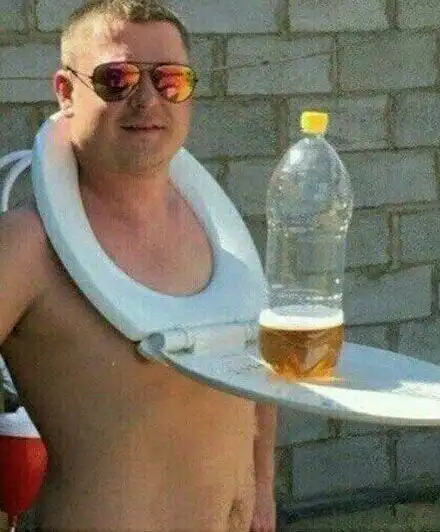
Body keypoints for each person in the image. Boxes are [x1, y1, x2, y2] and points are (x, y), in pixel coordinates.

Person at [0, 0, 276, 530]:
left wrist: (261, 491)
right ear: (66, 91)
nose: (147, 99)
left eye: (170, 80)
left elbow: (257, 365)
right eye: (118, 79)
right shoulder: (25, 246)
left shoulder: (220, 234)